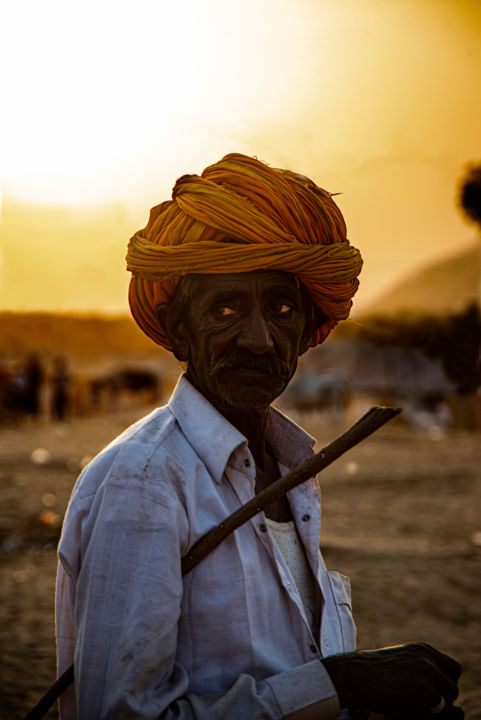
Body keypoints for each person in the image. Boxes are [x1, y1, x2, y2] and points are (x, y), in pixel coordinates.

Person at [56, 153, 463, 719]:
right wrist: (339, 683)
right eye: (225, 308)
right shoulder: (143, 483)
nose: (259, 339)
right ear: (178, 330)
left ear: (306, 327)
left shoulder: (290, 471)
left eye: (280, 308)